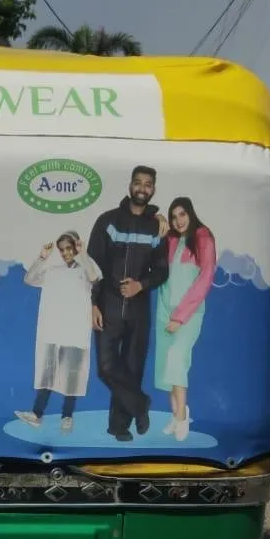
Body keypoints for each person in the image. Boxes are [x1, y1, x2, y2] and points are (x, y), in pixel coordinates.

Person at [87, 166, 170, 442]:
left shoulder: (157, 227)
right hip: (109, 305)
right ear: (130, 185)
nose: (142, 189)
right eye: (138, 183)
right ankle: (140, 404)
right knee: (107, 367)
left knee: (132, 368)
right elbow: (91, 266)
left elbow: (162, 271)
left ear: (153, 190)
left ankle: (119, 426)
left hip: (138, 309)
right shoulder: (108, 221)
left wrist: (141, 285)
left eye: (148, 185)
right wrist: (92, 304)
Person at [15, 231, 103, 433]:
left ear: (75, 246)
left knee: (72, 376)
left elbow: (95, 277)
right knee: (47, 373)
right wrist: (42, 258)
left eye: (68, 248)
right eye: (62, 250)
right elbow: (29, 279)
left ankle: (67, 416)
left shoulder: (85, 269)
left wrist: (83, 254)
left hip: (75, 331)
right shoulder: (53, 271)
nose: (65, 253)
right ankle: (37, 414)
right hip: (53, 330)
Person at [154, 197, 216, 442]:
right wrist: (158, 218)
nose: (178, 220)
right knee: (166, 368)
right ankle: (175, 414)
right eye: (173, 216)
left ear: (191, 213)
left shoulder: (203, 238)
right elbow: (164, 281)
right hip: (164, 314)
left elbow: (205, 278)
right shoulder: (170, 239)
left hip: (188, 316)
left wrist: (179, 317)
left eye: (182, 214)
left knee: (177, 361)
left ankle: (181, 417)